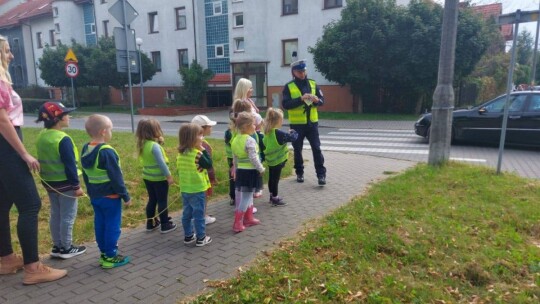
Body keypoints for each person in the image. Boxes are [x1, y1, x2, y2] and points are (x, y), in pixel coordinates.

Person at [0, 35, 67, 285]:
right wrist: (24, 153)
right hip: (6, 147)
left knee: (2, 204)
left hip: (3, 148)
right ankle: (33, 267)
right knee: (30, 205)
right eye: (7, 51)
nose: (12, 55)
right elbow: (3, 120)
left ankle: (6, 259)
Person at [35, 101, 87, 259]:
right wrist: (76, 186)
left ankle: (57, 246)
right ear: (57, 119)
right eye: (66, 114)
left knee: (55, 214)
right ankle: (66, 247)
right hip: (66, 185)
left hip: (50, 183)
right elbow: (70, 165)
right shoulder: (63, 139)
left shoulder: (42, 135)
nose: (69, 117)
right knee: (68, 216)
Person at [81, 114, 131, 269]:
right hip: (111, 197)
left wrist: (90, 192)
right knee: (112, 226)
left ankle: (103, 253)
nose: (111, 132)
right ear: (103, 131)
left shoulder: (86, 148)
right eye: (111, 129)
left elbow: (85, 173)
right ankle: (110, 256)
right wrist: (125, 196)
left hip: (96, 196)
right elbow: (116, 178)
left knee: (100, 224)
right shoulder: (106, 152)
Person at [282, 59, 327, 186]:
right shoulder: (289, 86)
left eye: (304, 71)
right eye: (299, 71)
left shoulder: (313, 83)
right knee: (297, 150)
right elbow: (285, 104)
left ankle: (321, 175)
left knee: (317, 149)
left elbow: (323, 100)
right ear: (293, 72)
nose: (302, 73)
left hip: (312, 123)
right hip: (297, 125)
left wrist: (317, 100)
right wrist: (300, 99)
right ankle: (299, 173)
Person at [135, 118, 177, 234]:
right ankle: (165, 224)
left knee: (152, 200)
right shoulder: (154, 146)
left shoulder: (143, 144)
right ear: (154, 131)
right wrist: (168, 176)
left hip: (148, 177)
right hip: (159, 178)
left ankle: (150, 223)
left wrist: (159, 142)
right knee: (162, 201)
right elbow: (161, 163)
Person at [177, 123, 212, 247]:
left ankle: (188, 235)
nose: (202, 138)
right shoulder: (198, 154)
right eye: (200, 135)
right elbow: (208, 164)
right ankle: (201, 237)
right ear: (192, 138)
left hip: (185, 190)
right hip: (197, 190)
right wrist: (203, 149)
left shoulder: (180, 155)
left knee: (187, 213)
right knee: (199, 214)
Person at [231, 112, 264, 233]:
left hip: (241, 171)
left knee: (249, 196)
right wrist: (261, 169)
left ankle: (249, 218)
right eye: (253, 125)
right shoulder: (249, 140)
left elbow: (235, 157)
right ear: (245, 127)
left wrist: (235, 168)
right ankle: (237, 223)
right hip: (250, 172)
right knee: (246, 198)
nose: (255, 127)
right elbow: (253, 158)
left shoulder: (235, 140)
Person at [263, 108, 298, 206]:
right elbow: (293, 138)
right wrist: (293, 132)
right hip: (278, 160)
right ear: (278, 121)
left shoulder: (267, 132)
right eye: (282, 119)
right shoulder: (278, 133)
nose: (282, 121)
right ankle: (275, 198)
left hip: (270, 160)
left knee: (271, 178)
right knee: (275, 180)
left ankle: (271, 195)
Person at [225, 99, 254, 206]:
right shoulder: (241, 127)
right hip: (238, 156)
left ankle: (233, 196)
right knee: (238, 175)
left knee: (233, 175)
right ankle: (239, 198)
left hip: (231, 155)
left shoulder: (232, 125)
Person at [190, 114, 217, 225]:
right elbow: (208, 165)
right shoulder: (203, 145)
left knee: (194, 200)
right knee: (203, 198)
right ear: (202, 129)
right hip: (203, 178)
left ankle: (195, 216)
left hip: (191, 178)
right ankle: (202, 217)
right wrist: (213, 177)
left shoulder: (189, 143)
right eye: (209, 126)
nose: (211, 128)